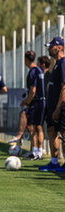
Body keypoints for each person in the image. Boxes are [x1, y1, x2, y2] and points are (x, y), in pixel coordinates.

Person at [39, 37, 65, 171]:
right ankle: (54, 162)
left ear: (59, 48)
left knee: (64, 133)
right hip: (52, 105)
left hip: (59, 107)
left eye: (51, 46)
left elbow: (64, 86)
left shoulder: (63, 62)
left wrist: (58, 108)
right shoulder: (56, 63)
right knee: (51, 131)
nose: (49, 49)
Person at [19, 51, 46, 160]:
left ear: (26, 60)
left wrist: (27, 101)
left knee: (32, 127)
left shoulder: (32, 72)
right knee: (39, 127)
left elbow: (33, 90)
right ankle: (39, 152)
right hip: (42, 101)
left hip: (36, 102)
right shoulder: (39, 70)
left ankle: (34, 152)